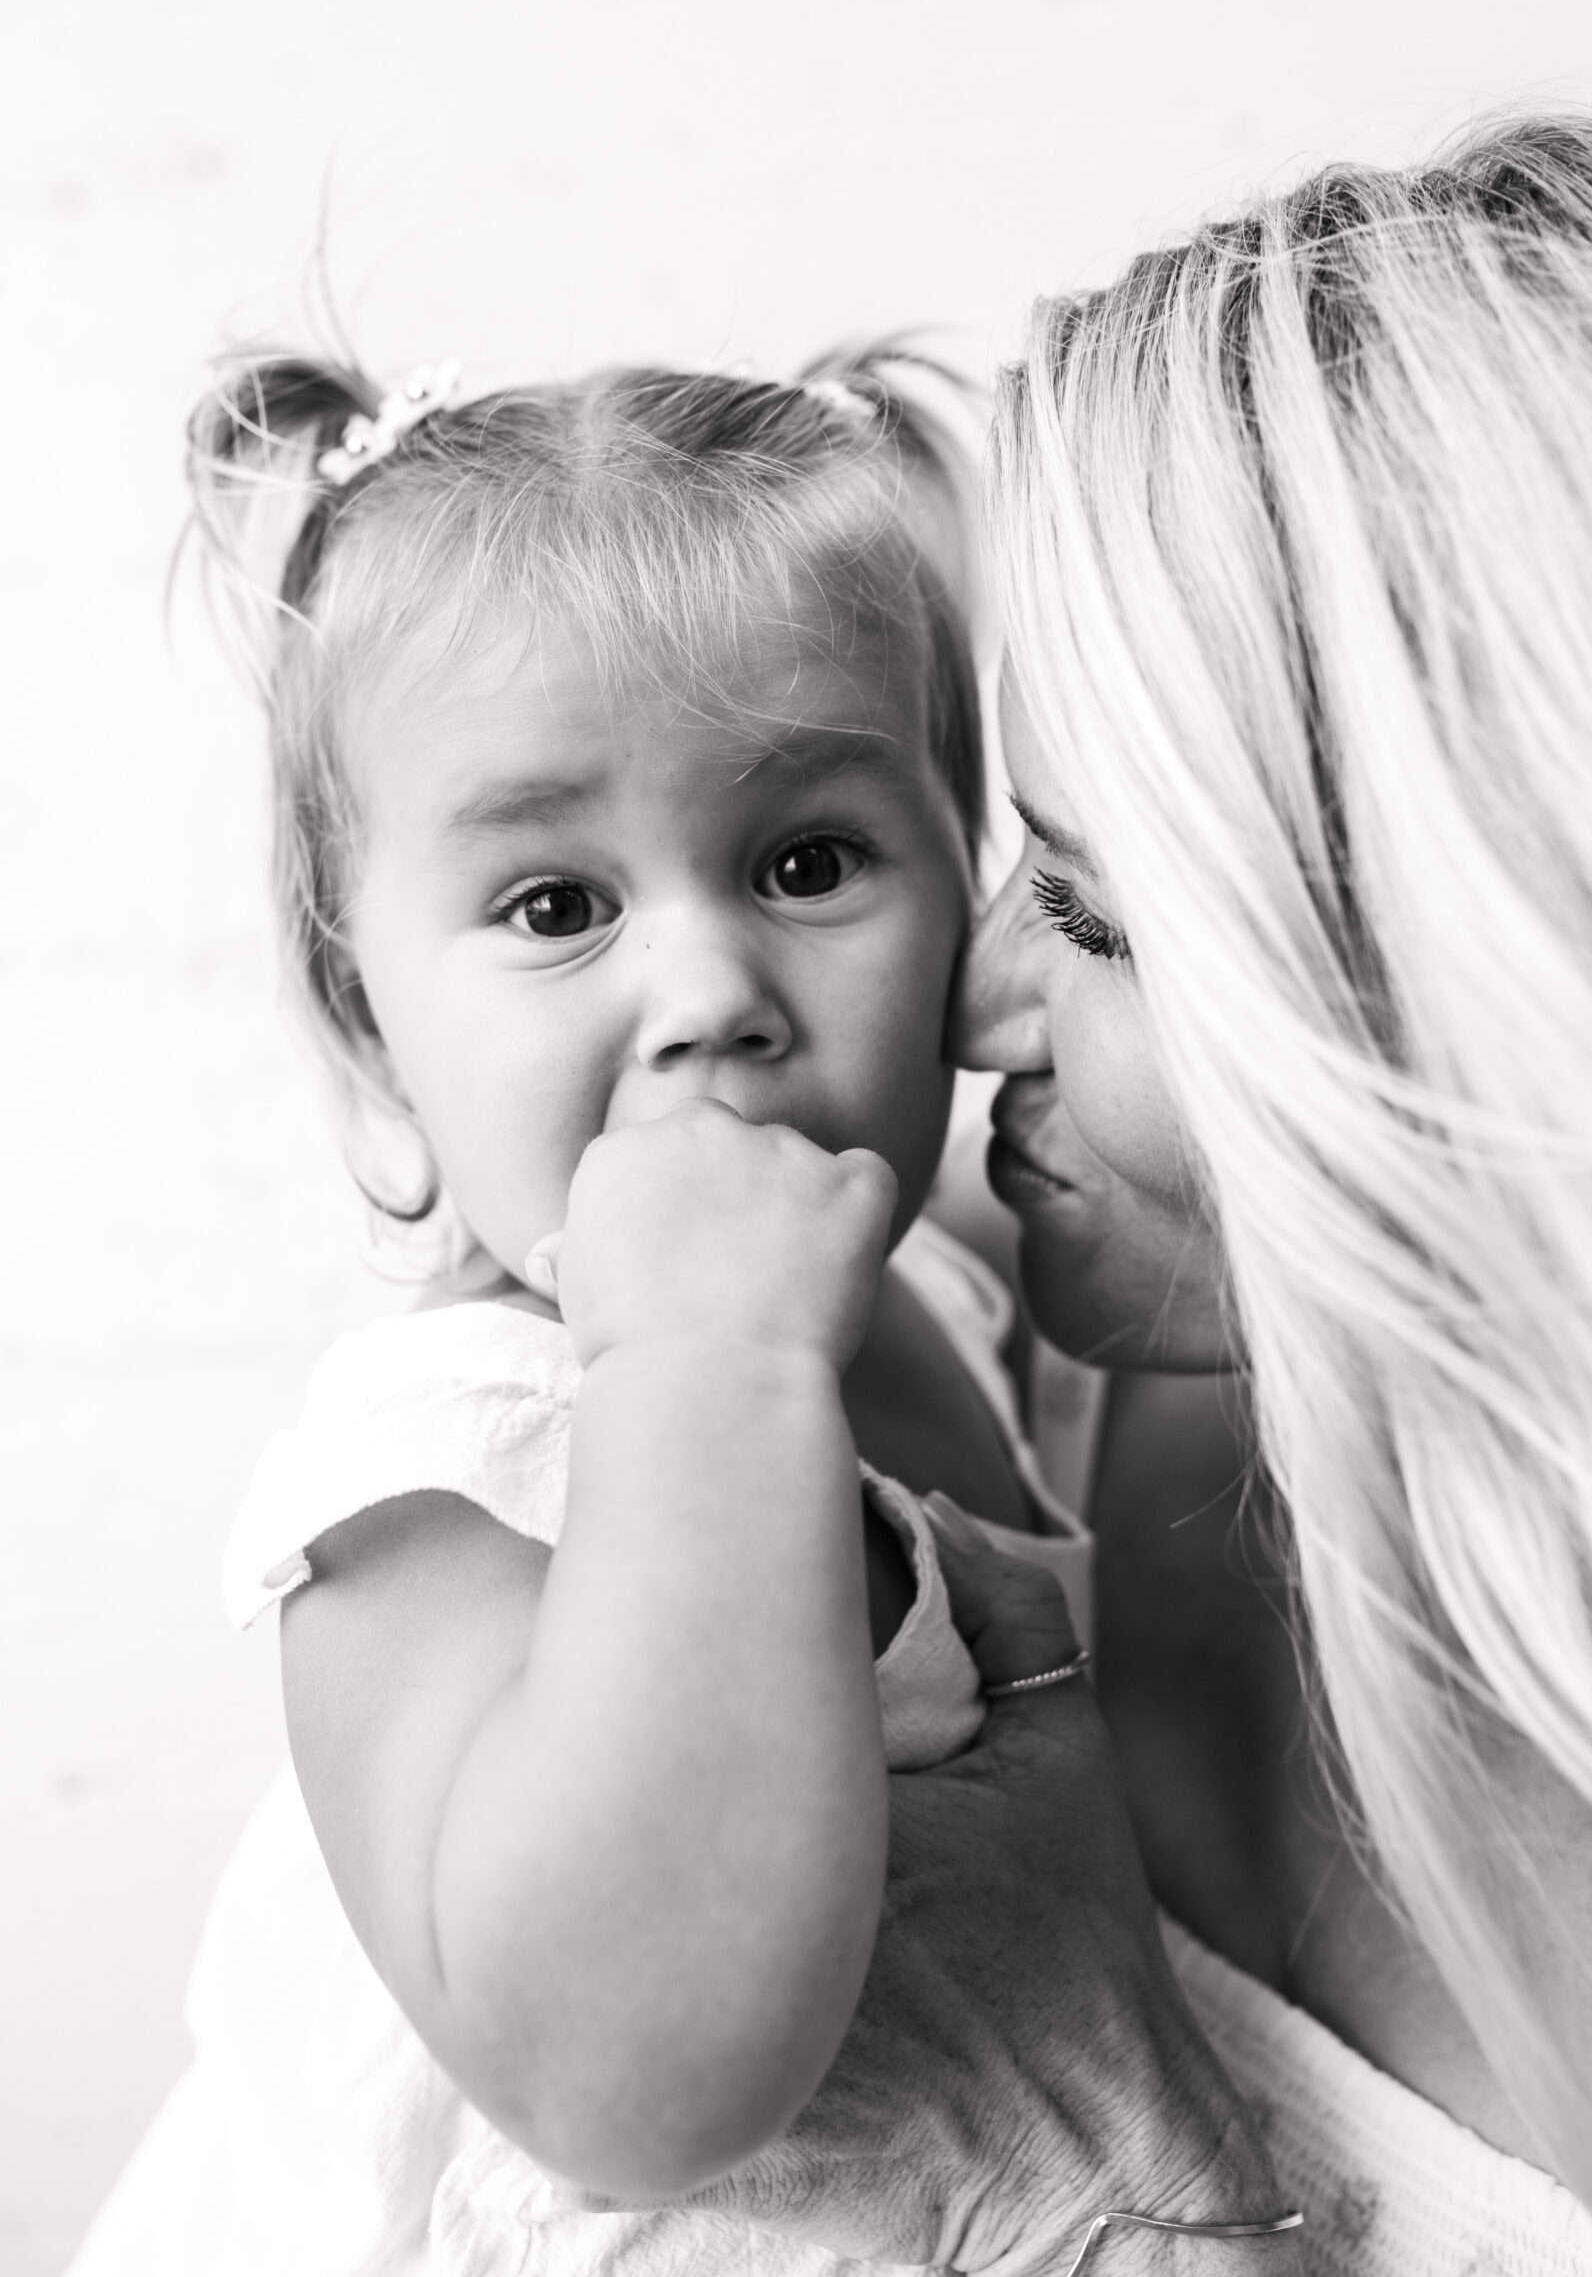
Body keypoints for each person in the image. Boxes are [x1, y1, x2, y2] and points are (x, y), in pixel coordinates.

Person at [646, 114, 1592, 2277]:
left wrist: (1113, 2146)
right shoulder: (1126, 1409)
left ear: (1479, 989)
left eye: (1107, 918)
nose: (963, 1002)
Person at [67, 346, 1104, 2273]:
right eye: (557, 906)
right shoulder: (446, 1477)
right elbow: (626, 2085)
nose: (711, 988)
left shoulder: (950, 1283)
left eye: (811, 863)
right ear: (371, 1026)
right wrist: (702, 1366)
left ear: (972, 905)